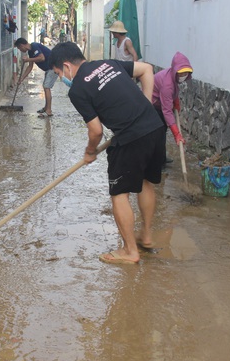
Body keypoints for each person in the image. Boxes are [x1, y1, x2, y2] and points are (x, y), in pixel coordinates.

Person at [49, 42, 166, 265]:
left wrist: (89, 152)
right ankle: (146, 236)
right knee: (145, 183)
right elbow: (146, 69)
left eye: (58, 73)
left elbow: (95, 130)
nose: (61, 78)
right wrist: (146, 104)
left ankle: (130, 251)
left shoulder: (78, 90)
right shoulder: (107, 63)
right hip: (155, 126)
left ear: (66, 66)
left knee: (119, 193)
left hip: (131, 138)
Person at [152, 52, 193, 147]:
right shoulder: (167, 85)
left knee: (162, 130)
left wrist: (176, 101)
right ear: (175, 71)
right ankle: (157, 159)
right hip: (152, 104)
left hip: (159, 102)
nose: (184, 75)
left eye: (186, 73)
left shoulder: (172, 75)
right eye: (181, 73)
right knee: (158, 130)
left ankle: (161, 157)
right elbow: (166, 110)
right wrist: (176, 134)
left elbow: (173, 90)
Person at [14, 37, 58, 117]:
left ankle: (49, 110)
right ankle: (46, 107)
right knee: (46, 86)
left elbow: (42, 58)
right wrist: (21, 79)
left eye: (19, 48)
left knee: (46, 87)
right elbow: (30, 67)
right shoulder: (30, 52)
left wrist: (28, 59)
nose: (20, 50)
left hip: (53, 67)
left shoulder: (34, 46)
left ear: (21, 45)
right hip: (49, 69)